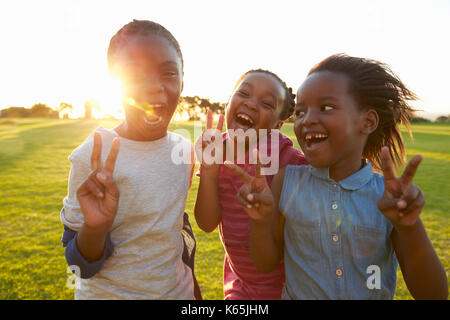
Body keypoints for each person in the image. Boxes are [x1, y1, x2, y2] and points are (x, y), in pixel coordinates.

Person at [226, 54, 448, 299]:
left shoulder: (387, 197)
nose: (307, 120)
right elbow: (265, 263)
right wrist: (260, 220)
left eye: (326, 108)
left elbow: (433, 294)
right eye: (300, 112)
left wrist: (409, 226)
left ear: (367, 121)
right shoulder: (286, 182)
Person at [60, 19, 201, 299]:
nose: (154, 86)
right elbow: (78, 266)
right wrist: (95, 227)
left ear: (182, 82)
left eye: (168, 73)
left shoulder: (184, 152)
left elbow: (176, 233)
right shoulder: (93, 153)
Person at [194, 69, 307, 299]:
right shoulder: (218, 150)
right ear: (228, 103)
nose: (252, 104)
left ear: (277, 125)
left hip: (288, 286)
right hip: (239, 284)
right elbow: (206, 223)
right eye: (243, 93)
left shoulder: (289, 161)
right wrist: (209, 172)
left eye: (266, 104)